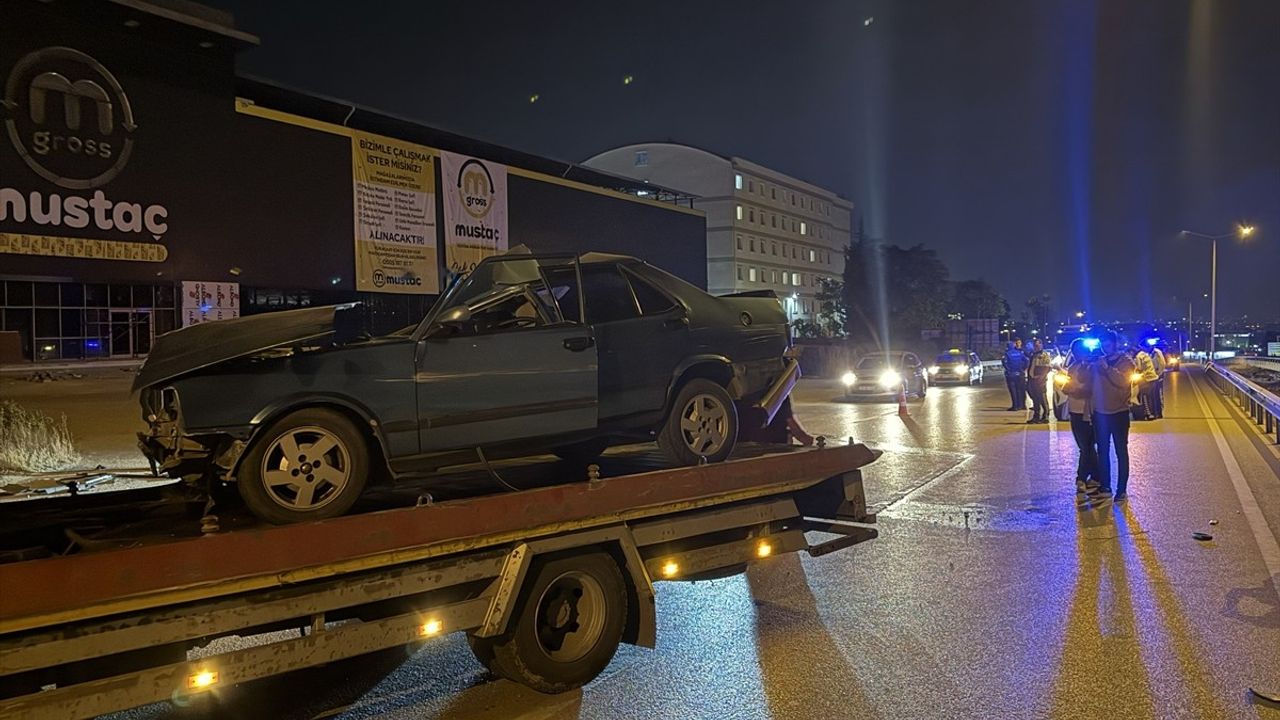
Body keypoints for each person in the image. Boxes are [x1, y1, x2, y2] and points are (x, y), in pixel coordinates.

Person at [1090, 330, 1136, 500]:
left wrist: (1107, 368)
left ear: (1114, 344)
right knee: (1102, 451)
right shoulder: (1098, 361)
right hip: (1100, 414)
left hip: (1119, 412)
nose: (1104, 347)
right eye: (1102, 344)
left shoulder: (1126, 361)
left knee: (1120, 451)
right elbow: (1090, 385)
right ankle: (1105, 486)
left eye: (1107, 343)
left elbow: (1123, 382)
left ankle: (1121, 489)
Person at [1063, 339, 1098, 493]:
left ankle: (1081, 478)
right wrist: (1069, 389)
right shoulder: (1073, 366)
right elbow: (1066, 387)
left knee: (1087, 447)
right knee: (1085, 447)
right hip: (1074, 411)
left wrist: (1076, 391)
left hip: (1089, 411)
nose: (1077, 354)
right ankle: (1097, 476)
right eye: (1074, 351)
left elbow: (1091, 387)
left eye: (1079, 351)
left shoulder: (1093, 366)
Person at [1026, 339, 1052, 423]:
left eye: (1038, 345)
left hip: (1040, 380)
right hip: (1032, 380)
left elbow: (1047, 368)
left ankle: (1045, 416)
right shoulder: (1033, 355)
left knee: (1042, 398)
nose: (1036, 347)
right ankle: (1036, 416)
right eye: (1035, 345)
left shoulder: (1044, 355)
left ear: (1041, 345)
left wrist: (1041, 378)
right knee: (1035, 399)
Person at [1132, 347, 1159, 420]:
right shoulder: (1145, 355)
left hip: (1147, 379)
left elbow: (1139, 368)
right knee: (1152, 397)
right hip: (1154, 377)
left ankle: (1149, 414)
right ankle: (1155, 414)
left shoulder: (1138, 356)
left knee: (1145, 397)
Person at [1002, 339, 1029, 411]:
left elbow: (1004, 363)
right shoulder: (1020, 353)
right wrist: (1023, 369)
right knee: (1021, 390)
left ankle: (1015, 406)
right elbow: (1026, 361)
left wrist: (1009, 370)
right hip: (1020, 374)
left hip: (1011, 375)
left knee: (1013, 390)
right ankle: (1022, 405)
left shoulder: (1007, 354)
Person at [1150, 345, 1167, 418]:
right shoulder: (1151, 353)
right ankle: (1155, 412)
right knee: (1154, 395)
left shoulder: (1156, 353)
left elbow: (1161, 364)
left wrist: (1158, 375)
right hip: (1155, 376)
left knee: (1157, 394)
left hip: (1158, 376)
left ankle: (1159, 413)